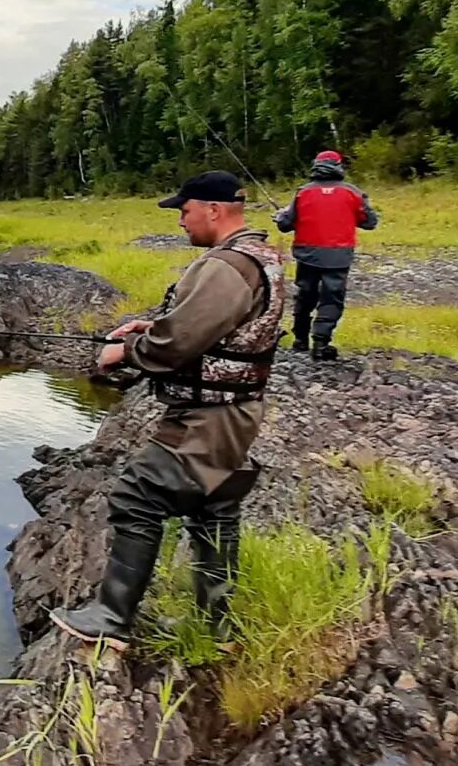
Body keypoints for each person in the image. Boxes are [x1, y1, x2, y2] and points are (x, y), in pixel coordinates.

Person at [49, 171, 285, 650]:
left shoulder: (227, 266)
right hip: (236, 410)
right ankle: (218, 629)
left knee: (138, 493)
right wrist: (151, 323)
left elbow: (176, 344)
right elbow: (207, 326)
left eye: (185, 210)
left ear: (214, 210)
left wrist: (125, 352)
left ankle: (112, 618)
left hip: (210, 417)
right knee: (214, 507)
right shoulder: (258, 256)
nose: (180, 220)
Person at [273, 150, 379, 361]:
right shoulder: (353, 192)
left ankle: (300, 339)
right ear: (339, 166)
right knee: (332, 297)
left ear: (315, 165)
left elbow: (285, 225)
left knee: (306, 294)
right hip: (339, 255)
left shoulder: (303, 192)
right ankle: (321, 343)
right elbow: (369, 222)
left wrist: (280, 216)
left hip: (307, 253)